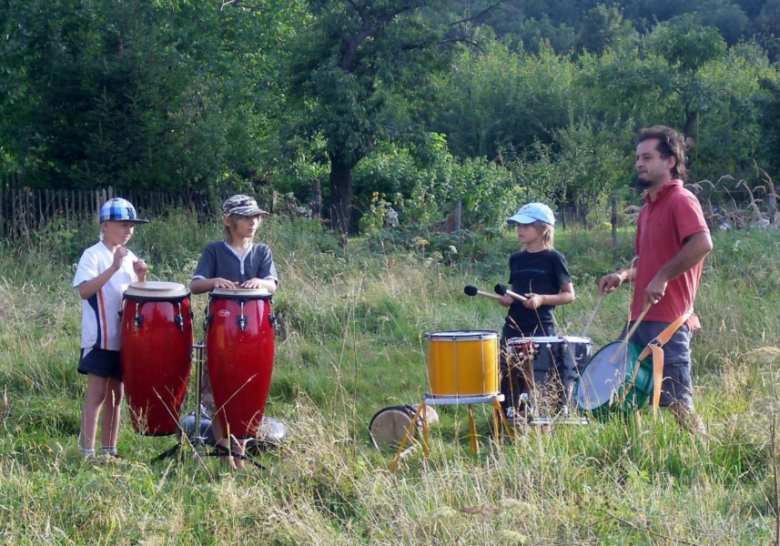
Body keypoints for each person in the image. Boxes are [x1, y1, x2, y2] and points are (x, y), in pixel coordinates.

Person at [599, 125, 712, 434]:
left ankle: (704, 459)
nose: (639, 163)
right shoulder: (648, 207)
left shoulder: (681, 200)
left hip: (669, 320)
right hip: (639, 316)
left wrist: (662, 277)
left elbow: (702, 243)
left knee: (678, 401)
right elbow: (643, 261)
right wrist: (622, 275)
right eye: (638, 157)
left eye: (647, 157)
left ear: (670, 161)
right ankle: (635, 458)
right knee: (623, 394)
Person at [191, 194, 278, 468]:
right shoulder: (214, 250)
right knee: (218, 390)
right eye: (246, 217)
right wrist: (214, 281)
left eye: (256, 217)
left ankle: (240, 454)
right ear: (229, 221)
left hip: (255, 332)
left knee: (247, 390)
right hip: (221, 332)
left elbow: (272, 285)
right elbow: (195, 285)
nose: (253, 222)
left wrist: (259, 283)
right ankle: (226, 455)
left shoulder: (262, 251)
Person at [73, 198, 149, 459]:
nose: (129, 230)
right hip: (99, 338)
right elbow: (84, 290)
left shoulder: (131, 257)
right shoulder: (93, 254)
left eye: (132, 226)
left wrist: (141, 277)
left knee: (117, 397)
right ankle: (87, 452)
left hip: (123, 339)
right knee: (97, 395)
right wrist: (114, 266)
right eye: (123, 225)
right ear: (105, 225)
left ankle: (110, 451)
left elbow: (134, 297)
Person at [498, 202, 575, 422]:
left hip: (541, 327)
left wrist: (542, 299)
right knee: (508, 375)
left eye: (527, 225)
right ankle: (510, 421)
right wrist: (508, 297)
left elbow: (569, 295)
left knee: (537, 378)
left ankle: (541, 421)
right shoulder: (516, 258)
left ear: (544, 228)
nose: (520, 230)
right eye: (518, 225)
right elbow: (517, 290)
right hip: (514, 325)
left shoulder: (554, 258)